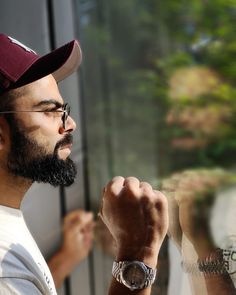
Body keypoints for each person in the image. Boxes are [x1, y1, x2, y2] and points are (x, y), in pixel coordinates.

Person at [0, 33, 169, 295]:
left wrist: (65, 259)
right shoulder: (5, 269)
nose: (70, 124)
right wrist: (138, 252)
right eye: (49, 110)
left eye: (63, 110)